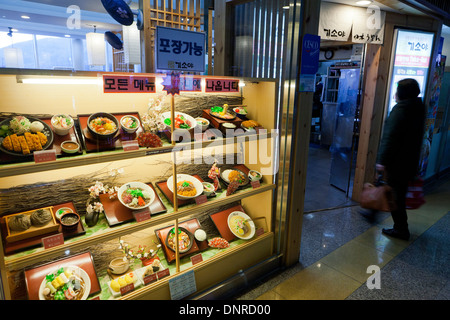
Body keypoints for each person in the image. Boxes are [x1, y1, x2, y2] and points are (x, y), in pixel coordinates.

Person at [376, 78, 426, 240]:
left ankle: (401, 229)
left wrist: (382, 160)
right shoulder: (419, 108)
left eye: (398, 90)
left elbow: (390, 138)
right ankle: (400, 227)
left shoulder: (400, 109)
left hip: (397, 163)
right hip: (409, 162)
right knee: (399, 195)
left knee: (395, 196)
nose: (396, 93)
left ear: (402, 93)